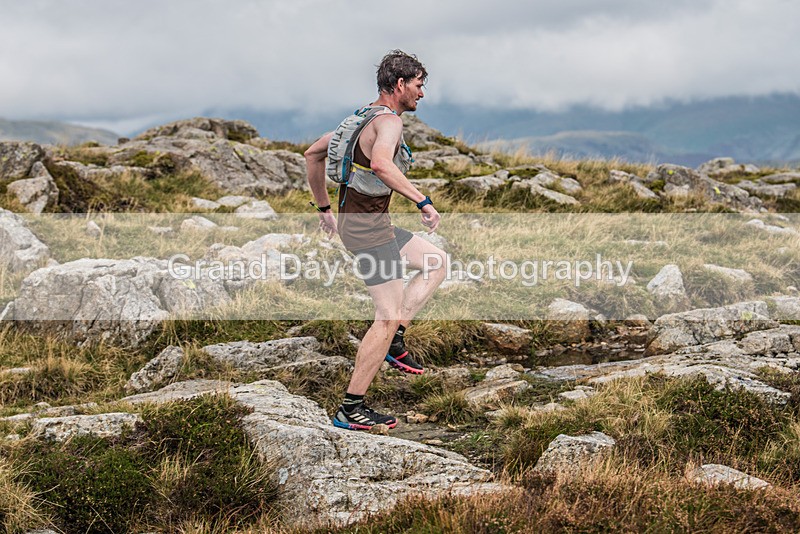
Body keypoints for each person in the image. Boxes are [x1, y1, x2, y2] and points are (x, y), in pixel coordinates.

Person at [304, 50, 447, 431]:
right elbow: (382, 164)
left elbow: (313, 154)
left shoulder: (358, 119)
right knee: (384, 316)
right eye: (419, 86)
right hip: (369, 231)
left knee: (435, 262)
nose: (422, 93)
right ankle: (351, 408)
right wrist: (423, 201)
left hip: (364, 225)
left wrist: (323, 209)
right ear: (400, 85)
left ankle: (395, 341)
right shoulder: (388, 125)